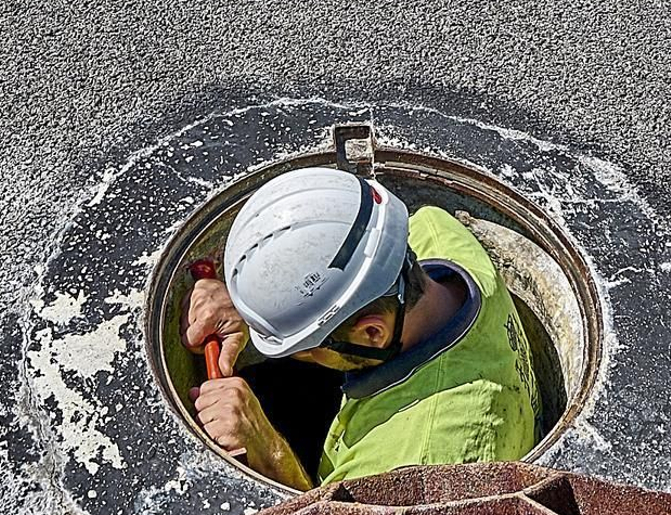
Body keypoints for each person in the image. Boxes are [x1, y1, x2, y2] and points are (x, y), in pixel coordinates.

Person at [186, 167, 538, 488]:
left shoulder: (418, 465)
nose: (299, 357)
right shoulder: (436, 230)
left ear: (372, 333)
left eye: (304, 347)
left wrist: (269, 451)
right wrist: (249, 306)